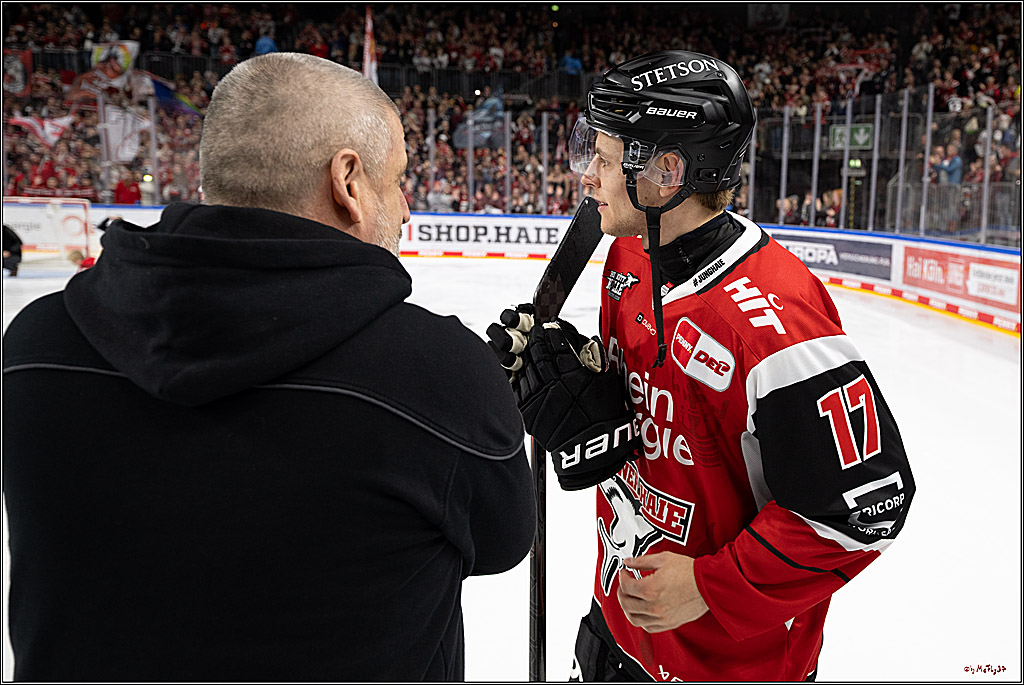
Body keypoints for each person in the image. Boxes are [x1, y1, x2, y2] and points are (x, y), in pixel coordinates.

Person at [3, 53, 536, 681]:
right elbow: (502, 543)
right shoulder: (438, 372)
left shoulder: (35, 346)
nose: (408, 208)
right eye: (396, 181)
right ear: (348, 181)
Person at [487, 50, 915, 681]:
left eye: (602, 159)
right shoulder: (628, 257)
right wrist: (585, 394)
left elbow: (865, 508)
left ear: (667, 171)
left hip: (726, 659)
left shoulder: (775, 323)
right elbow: (659, 420)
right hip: (618, 620)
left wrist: (710, 585)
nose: (586, 178)